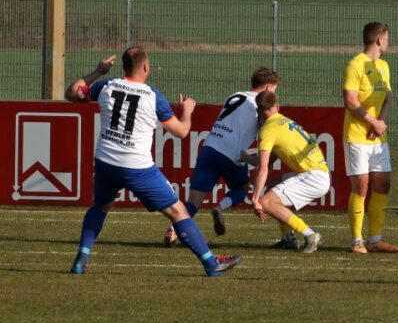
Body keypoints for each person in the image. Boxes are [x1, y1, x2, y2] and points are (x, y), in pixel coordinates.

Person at [66, 47, 241, 277]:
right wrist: (187, 111)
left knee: (100, 206)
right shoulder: (152, 96)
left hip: (106, 161)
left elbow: (73, 93)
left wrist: (98, 71)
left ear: (124, 66)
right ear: (146, 67)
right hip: (137, 167)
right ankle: (211, 263)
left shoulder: (106, 86)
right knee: (178, 212)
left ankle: (82, 256)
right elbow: (181, 132)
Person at [163, 67, 281, 246]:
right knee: (242, 187)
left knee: (194, 202)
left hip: (210, 148)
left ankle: (173, 230)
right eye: (273, 90)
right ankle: (219, 207)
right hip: (231, 155)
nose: (273, 96)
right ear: (266, 88)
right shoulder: (260, 105)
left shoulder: (235, 95)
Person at [343, 21, 398, 253]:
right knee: (361, 187)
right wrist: (372, 121)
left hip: (377, 137)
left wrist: (381, 122)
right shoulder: (354, 65)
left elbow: (388, 98)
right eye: (387, 38)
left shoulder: (384, 67)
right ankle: (357, 241)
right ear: (379, 40)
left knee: (383, 185)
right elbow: (350, 101)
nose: (388, 42)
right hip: (357, 137)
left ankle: (375, 239)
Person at [249, 90, 327, 253]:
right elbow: (266, 163)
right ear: (277, 106)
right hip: (316, 173)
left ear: (258, 111)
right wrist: (244, 158)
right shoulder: (283, 121)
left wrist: (255, 199)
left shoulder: (268, 129)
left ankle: (310, 234)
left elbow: (263, 167)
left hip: (312, 176)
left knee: (266, 202)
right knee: (272, 186)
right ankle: (288, 238)